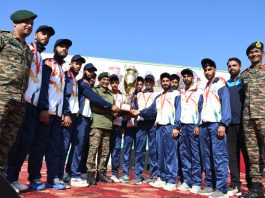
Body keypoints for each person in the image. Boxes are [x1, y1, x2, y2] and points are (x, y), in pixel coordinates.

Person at [6, 25, 55, 192]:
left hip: (33, 106)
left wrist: (43, 107)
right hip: (18, 101)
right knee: (12, 141)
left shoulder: (41, 58)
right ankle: (6, 176)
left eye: (48, 35)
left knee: (25, 143)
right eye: (43, 33)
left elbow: (41, 87)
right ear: (35, 35)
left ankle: (12, 178)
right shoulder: (26, 49)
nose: (46, 37)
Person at [27, 39, 72, 190]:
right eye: (62, 46)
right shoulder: (47, 63)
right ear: (54, 48)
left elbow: (63, 95)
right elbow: (44, 87)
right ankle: (35, 178)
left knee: (54, 148)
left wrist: (65, 112)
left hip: (57, 115)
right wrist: (44, 108)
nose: (64, 49)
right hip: (47, 112)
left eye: (66, 47)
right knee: (39, 147)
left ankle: (52, 179)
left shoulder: (63, 70)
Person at [0, 10, 37, 175]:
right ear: (15, 23)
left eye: (31, 23)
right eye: (25, 22)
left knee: (7, 140)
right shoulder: (4, 38)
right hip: (2, 95)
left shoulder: (28, 51)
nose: (29, 26)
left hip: (18, 100)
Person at [131, 72, 180, 191]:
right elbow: (152, 110)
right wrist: (139, 112)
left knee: (170, 154)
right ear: (160, 83)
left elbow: (179, 111)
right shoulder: (159, 97)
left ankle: (171, 180)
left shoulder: (176, 94)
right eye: (163, 81)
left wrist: (176, 126)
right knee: (161, 154)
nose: (165, 83)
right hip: (159, 127)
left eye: (167, 81)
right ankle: (163, 178)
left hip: (169, 126)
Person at [198, 58, 231, 198]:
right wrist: (199, 124)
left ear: (215, 69)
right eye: (205, 69)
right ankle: (210, 184)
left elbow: (226, 104)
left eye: (209, 69)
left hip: (216, 124)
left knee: (219, 156)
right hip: (204, 126)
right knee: (207, 157)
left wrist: (223, 123)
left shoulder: (220, 83)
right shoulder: (205, 87)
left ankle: (221, 187)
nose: (207, 71)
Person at [59, 55, 88, 188]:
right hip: (68, 115)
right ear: (71, 63)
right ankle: (58, 176)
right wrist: (66, 114)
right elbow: (64, 96)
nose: (78, 66)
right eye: (76, 63)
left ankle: (70, 175)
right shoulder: (66, 76)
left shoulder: (76, 79)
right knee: (64, 147)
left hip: (76, 117)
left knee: (76, 146)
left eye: (80, 64)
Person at [240, 41, 265, 198]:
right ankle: (256, 189)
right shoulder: (245, 74)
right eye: (251, 52)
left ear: (262, 54)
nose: (254, 54)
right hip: (248, 118)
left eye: (257, 51)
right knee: (253, 155)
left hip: (263, 115)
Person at [174, 68, 203, 194]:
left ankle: (196, 182)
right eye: (184, 76)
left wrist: (198, 124)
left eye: (188, 76)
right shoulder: (182, 93)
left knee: (195, 155)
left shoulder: (198, 91)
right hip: (183, 127)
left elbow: (202, 109)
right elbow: (179, 111)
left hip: (193, 126)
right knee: (184, 154)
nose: (186, 78)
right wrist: (177, 126)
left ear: (193, 77)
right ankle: (187, 181)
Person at [225, 57, 250, 197]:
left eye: (234, 65)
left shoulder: (245, 81)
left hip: (245, 125)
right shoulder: (225, 85)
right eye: (229, 66)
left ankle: (252, 187)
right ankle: (235, 185)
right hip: (230, 126)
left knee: (248, 157)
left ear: (240, 67)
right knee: (232, 157)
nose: (232, 68)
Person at [86, 72, 114, 184]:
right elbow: (95, 106)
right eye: (104, 79)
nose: (106, 82)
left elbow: (113, 108)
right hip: (97, 125)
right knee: (93, 150)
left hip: (108, 125)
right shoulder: (95, 90)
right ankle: (90, 174)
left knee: (104, 152)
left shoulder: (111, 94)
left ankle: (101, 173)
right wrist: (110, 109)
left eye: (108, 80)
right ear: (99, 80)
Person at [134, 74, 159, 184]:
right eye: (147, 81)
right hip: (141, 124)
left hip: (152, 123)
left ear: (153, 83)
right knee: (139, 150)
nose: (148, 83)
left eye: (150, 81)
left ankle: (154, 175)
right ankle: (138, 175)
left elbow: (153, 110)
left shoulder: (157, 95)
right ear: (144, 83)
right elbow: (133, 108)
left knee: (153, 150)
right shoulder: (138, 95)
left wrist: (140, 112)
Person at [109, 74, 124, 183]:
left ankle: (114, 173)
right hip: (107, 125)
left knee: (116, 150)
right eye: (112, 82)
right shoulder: (107, 94)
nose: (114, 84)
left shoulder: (122, 96)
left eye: (116, 82)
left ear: (118, 84)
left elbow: (124, 110)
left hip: (118, 126)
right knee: (104, 150)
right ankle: (102, 172)